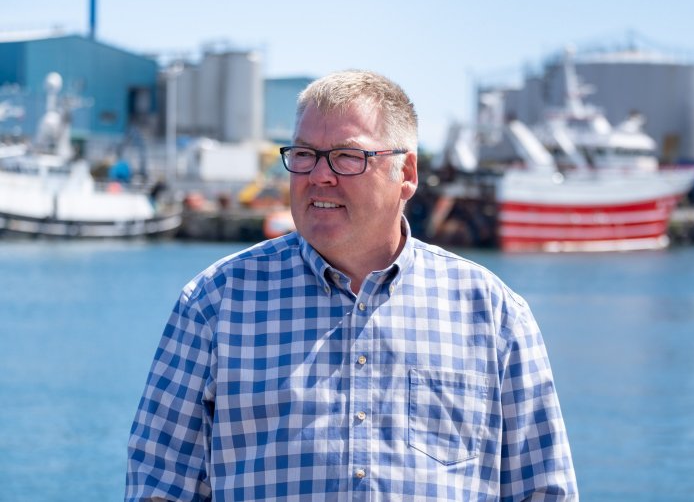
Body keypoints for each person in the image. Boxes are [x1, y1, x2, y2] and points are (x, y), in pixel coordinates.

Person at [126, 70, 578, 501]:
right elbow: (159, 483)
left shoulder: (494, 314)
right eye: (304, 154)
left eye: (347, 156)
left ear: (407, 175)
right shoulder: (215, 303)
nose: (319, 175)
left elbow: (543, 491)